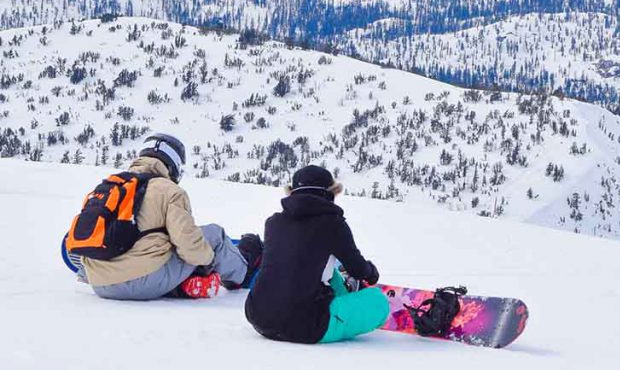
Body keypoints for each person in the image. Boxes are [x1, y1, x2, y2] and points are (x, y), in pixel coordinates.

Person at [78, 133, 262, 300]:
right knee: (214, 235)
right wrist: (208, 261)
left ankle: (180, 285)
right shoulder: (170, 191)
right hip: (141, 281)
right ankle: (243, 273)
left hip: (99, 283)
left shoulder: (111, 186)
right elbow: (190, 247)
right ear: (173, 165)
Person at [245, 165, 388, 344]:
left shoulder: (273, 222)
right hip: (306, 326)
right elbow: (358, 269)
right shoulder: (333, 224)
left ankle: (342, 297)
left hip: (258, 316)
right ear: (329, 194)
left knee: (324, 270)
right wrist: (371, 273)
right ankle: (350, 302)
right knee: (379, 301)